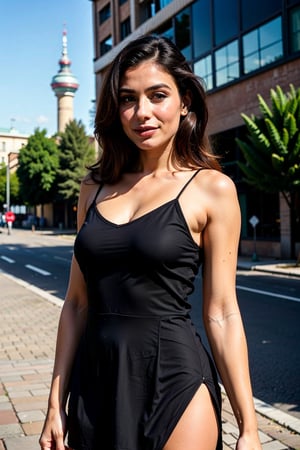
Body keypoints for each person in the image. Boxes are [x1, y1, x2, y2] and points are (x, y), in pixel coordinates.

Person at [39, 35, 262, 450]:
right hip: (95, 382)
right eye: (128, 99)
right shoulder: (94, 186)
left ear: (184, 102)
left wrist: (249, 427)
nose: (142, 112)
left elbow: (222, 312)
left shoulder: (212, 188)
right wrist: (55, 401)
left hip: (174, 381)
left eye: (158, 95)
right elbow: (75, 303)